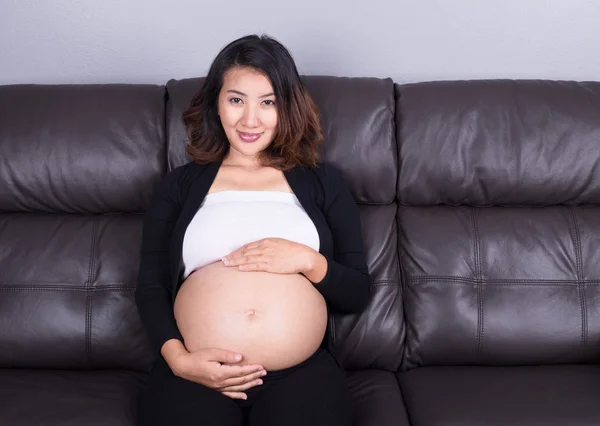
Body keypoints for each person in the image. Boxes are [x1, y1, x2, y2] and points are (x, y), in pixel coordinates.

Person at [135, 34, 370, 426]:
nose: (250, 120)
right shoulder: (179, 186)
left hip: (301, 375)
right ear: (217, 102)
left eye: (268, 102)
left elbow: (357, 292)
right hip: (195, 372)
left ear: (287, 107)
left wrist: (306, 261)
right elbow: (151, 287)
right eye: (236, 99)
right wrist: (180, 360)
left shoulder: (324, 183)